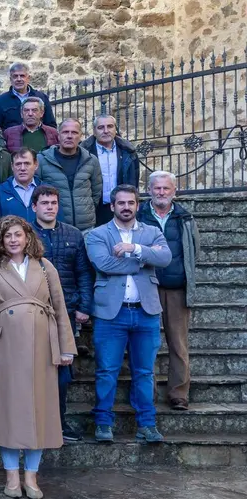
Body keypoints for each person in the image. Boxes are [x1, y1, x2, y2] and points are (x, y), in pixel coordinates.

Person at [0, 216, 77, 499]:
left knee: (39, 412)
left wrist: (66, 346)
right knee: (10, 412)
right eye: (7, 236)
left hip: (42, 348)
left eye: (18, 235)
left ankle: (31, 476)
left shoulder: (45, 267)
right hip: (4, 348)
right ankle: (11, 477)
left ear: (27, 236)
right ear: (0, 241)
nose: (13, 240)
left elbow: (59, 306)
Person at [86, 185, 172, 444]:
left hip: (146, 312)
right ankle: (103, 422)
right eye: (120, 203)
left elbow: (166, 257)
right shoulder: (97, 234)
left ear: (137, 206)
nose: (126, 207)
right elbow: (104, 263)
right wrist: (146, 258)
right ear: (112, 206)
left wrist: (133, 248)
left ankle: (147, 424)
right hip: (111, 314)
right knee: (106, 370)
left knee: (145, 372)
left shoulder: (152, 231)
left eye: (131, 203)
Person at [31, 184, 93, 441]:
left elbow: (83, 273)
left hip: (65, 311)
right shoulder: (24, 234)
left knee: (63, 372)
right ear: (34, 206)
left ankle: (59, 421)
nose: (49, 207)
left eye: (53, 203)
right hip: (33, 312)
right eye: (44, 203)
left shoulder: (74, 235)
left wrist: (84, 306)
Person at [138, 171, 199, 411]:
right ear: (149, 190)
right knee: (146, 343)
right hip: (147, 286)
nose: (161, 193)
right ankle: (147, 393)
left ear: (175, 191)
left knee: (178, 344)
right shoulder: (139, 215)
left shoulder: (185, 217)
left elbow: (194, 250)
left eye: (166, 188)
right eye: (157, 188)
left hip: (176, 289)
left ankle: (179, 393)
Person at [36, 119, 103, 231]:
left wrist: (86, 209)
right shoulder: (43, 160)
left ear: (80, 136)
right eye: (65, 132)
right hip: (55, 226)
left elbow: (96, 192)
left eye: (74, 132)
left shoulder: (91, 160)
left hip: (86, 227)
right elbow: (36, 191)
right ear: (58, 135)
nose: (69, 136)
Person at [83, 114, 141, 226]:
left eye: (110, 126)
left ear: (115, 129)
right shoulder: (84, 152)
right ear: (94, 132)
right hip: (94, 210)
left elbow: (134, 181)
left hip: (121, 208)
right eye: (101, 127)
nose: (106, 131)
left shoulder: (128, 152)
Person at [0, 62, 55, 130]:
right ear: (10, 79)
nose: (19, 79)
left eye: (22, 76)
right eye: (15, 76)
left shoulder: (42, 98)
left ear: (28, 78)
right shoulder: (0, 101)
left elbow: (50, 125)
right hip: (12, 140)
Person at [0, 148, 41, 222]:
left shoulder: (46, 191)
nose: (22, 168)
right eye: (18, 164)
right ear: (12, 166)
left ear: (36, 165)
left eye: (27, 164)